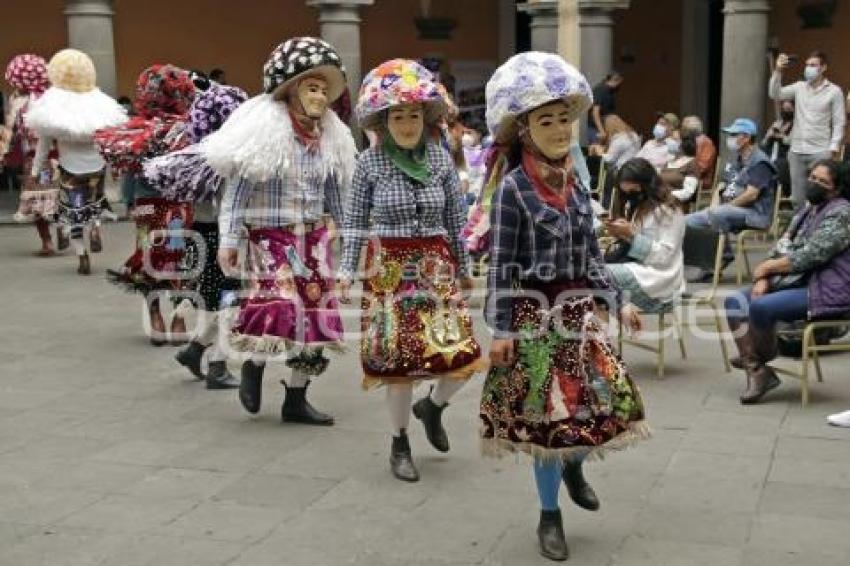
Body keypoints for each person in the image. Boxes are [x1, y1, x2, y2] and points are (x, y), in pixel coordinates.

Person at [480, 51, 648, 562]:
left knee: (597, 403)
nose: (558, 130)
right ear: (525, 131)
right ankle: (548, 516)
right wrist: (503, 328)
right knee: (546, 424)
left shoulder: (576, 185)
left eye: (563, 120)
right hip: (533, 320)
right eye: (545, 121)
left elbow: (592, 256)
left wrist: (617, 302)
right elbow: (501, 264)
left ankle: (576, 465)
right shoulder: (512, 191)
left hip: (580, 317)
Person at [337, 59, 483, 482]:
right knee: (397, 363)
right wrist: (347, 271)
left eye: (414, 115)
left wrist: (465, 266)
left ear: (426, 118)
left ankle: (433, 406)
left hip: (436, 266)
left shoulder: (439, 159)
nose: (406, 124)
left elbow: (458, 219)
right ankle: (399, 442)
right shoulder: (369, 164)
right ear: (383, 121)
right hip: (388, 269)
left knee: (461, 355)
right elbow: (354, 222)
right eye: (397, 116)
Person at [201, 37, 357, 425]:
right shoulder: (265, 134)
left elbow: (338, 196)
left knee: (318, 318)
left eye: (324, 89)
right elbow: (236, 194)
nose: (319, 96)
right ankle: (254, 365)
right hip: (270, 237)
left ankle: (296, 397)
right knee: (279, 308)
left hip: (314, 239)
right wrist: (229, 240)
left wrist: (352, 244)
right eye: (311, 87)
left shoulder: (331, 138)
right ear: (291, 91)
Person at [144, 83, 249, 389]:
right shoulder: (225, 158)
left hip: (202, 236)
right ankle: (217, 364)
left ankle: (197, 350)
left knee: (227, 302)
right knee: (232, 302)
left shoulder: (194, 154)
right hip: (225, 240)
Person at [724, 159, 850, 404]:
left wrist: (767, 268)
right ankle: (757, 368)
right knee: (735, 300)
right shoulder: (807, 208)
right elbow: (783, 244)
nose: (814, 183)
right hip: (794, 278)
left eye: (822, 181)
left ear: (835, 189)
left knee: (761, 307)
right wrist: (764, 277)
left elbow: (812, 254)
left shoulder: (842, 212)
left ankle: (757, 356)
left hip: (827, 287)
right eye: (812, 177)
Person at [96, 64, 197, 345]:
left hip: (151, 202)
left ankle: (160, 317)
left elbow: (129, 168)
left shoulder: (148, 129)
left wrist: (129, 201)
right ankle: (175, 318)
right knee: (179, 255)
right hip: (173, 203)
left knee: (149, 255)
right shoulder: (183, 128)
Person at [25, 49, 126, 275]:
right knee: (94, 204)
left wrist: (35, 169)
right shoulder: (101, 103)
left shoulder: (51, 105)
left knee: (73, 211)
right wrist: (115, 166)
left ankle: (82, 254)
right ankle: (96, 227)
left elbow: (43, 144)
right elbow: (111, 139)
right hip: (97, 167)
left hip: (70, 170)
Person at [685, 118, 776, 281]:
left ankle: (722, 257)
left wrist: (722, 209)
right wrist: (713, 206)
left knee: (718, 214)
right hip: (728, 210)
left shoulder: (760, 162)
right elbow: (721, 187)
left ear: (747, 137)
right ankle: (705, 261)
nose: (730, 138)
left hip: (755, 214)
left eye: (734, 134)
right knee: (688, 221)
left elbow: (751, 194)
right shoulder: (735, 161)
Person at [606, 158, 685, 315]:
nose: (630, 197)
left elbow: (664, 256)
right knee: (589, 274)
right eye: (626, 193)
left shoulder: (668, 210)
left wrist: (632, 235)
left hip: (660, 279)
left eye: (634, 192)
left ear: (647, 185)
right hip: (639, 269)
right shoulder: (640, 207)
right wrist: (622, 234)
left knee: (598, 276)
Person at [769, 51, 846, 206]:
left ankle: (818, 227)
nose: (808, 68)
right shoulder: (799, 87)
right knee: (797, 199)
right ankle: (799, 229)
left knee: (819, 197)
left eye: (813, 65)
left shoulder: (834, 91)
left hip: (820, 151)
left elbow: (839, 121)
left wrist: (833, 147)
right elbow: (775, 94)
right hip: (796, 151)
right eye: (807, 65)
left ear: (823, 67)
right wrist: (778, 71)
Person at [2, 54, 55, 255]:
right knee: (59, 197)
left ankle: (47, 241)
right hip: (57, 157)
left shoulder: (17, 101)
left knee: (37, 199)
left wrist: (4, 152)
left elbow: (10, 132)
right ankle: (66, 233)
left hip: (34, 159)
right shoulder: (53, 97)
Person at [662, 132, 701, 211]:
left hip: (675, 205)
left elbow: (688, 192)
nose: (668, 140)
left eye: (674, 139)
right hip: (660, 201)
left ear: (684, 144)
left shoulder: (691, 164)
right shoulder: (669, 162)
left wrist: (668, 196)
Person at [762, 100, 794, 194]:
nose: (785, 111)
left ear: (794, 110)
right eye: (783, 109)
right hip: (771, 154)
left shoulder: (796, 125)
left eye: (788, 109)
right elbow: (764, 142)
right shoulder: (777, 123)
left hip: (786, 157)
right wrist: (769, 135)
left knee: (779, 166)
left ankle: (779, 193)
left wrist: (781, 136)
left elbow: (792, 141)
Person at [680, 115, 717, 190]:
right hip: (685, 175)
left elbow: (702, 167)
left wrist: (681, 171)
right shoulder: (687, 142)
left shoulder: (706, 143)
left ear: (691, 130)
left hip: (700, 181)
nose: (681, 131)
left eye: (683, 128)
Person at [587, 71, 623, 144]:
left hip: (602, 129)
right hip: (596, 129)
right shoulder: (601, 90)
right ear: (615, 80)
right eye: (620, 83)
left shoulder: (609, 91)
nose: (620, 86)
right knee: (597, 152)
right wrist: (601, 131)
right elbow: (595, 112)